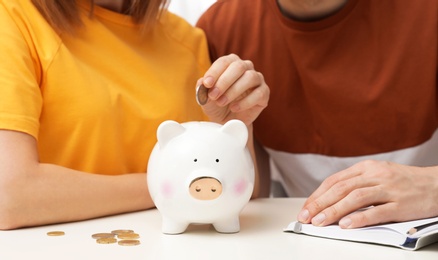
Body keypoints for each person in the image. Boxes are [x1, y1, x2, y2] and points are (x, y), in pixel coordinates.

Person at [0, 0, 269, 230]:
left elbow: (244, 190)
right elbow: (10, 196)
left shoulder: (186, 39)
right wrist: (176, 187)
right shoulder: (12, 18)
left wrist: (234, 125)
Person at [197, 0, 438, 229]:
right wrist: (234, 130)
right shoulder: (221, 28)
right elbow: (249, 195)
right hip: (300, 237)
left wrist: (432, 185)